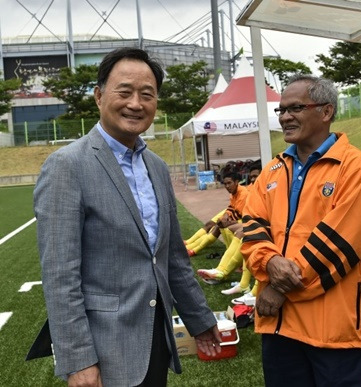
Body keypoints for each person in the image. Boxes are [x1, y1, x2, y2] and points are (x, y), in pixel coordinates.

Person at [32, 47, 221, 386]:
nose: (136, 103)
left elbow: (172, 257)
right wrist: (78, 361)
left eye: (147, 94)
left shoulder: (157, 168)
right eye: (125, 91)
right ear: (99, 96)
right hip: (103, 351)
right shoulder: (67, 166)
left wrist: (200, 319)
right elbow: (60, 275)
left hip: (155, 340)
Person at [241, 74, 361, 386]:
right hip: (279, 326)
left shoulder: (353, 167)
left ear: (326, 111)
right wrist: (269, 262)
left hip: (334, 331)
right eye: (281, 110)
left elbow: (340, 245)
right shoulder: (273, 169)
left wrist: (278, 288)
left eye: (296, 108)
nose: (285, 117)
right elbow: (252, 227)